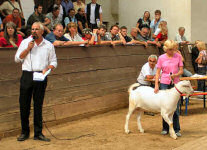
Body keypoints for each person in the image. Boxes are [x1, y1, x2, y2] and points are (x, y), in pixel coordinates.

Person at [15, 22, 57, 142]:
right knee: (24, 105)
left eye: (36, 29)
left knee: (38, 105)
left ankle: (38, 133)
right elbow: (17, 59)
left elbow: (54, 61)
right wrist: (28, 48)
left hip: (41, 75)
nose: (33, 31)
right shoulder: (25, 42)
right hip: (27, 75)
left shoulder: (48, 45)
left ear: (42, 31)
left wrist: (48, 68)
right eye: (32, 29)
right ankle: (24, 132)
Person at [154, 40, 183, 137]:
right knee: (165, 106)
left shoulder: (178, 56)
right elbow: (158, 72)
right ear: (166, 49)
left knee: (175, 106)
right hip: (164, 82)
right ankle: (165, 128)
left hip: (175, 82)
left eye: (173, 49)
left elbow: (181, 71)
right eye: (170, 49)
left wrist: (175, 75)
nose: (172, 51)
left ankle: (176, 128)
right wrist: (156, 85)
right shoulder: (161, 58)